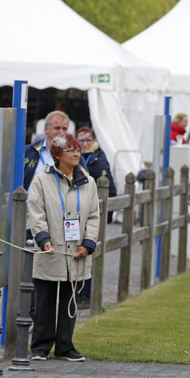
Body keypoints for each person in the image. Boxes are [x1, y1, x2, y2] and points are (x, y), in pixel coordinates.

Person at [28, 133, 100, 362]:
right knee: (45, 301)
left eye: (78, 149)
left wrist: (88, 245)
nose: (77, 153)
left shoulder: (89, 183)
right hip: (51, 248)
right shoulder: (41, 180)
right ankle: (40, 347)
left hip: (76, 252)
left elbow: (95, 216)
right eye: (70, 150)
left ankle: (65, 346)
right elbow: (36, 212)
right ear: (58, 154)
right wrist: (43, 238)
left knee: (70, 301)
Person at [74, 126, 117, 308]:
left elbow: (110, 189)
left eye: (87, 140)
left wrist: (106, 215)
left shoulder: (98, 158)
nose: (84, 144)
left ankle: (87, 294)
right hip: (76, 212)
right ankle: (77, 294)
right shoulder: (74, 156)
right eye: (81, 140)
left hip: (92, 212)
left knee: (88, 252)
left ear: (93, 141)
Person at [23, 111, 71, 190]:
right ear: (46, 130)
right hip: (30, 202)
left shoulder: (75, 155)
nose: (61, 132)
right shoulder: (28, 151)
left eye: (64, 129)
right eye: (57, 128)